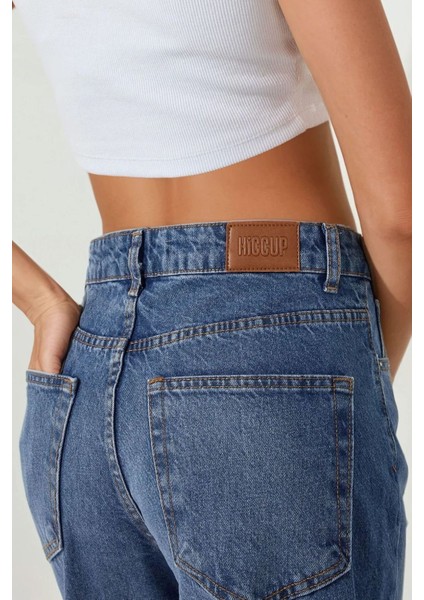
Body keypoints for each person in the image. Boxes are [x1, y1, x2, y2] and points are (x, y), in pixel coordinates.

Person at [12, 1, 411, 599]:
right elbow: (403, 215)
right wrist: (363, 382)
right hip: (271, 343)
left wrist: (40, 301)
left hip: (89, 375)